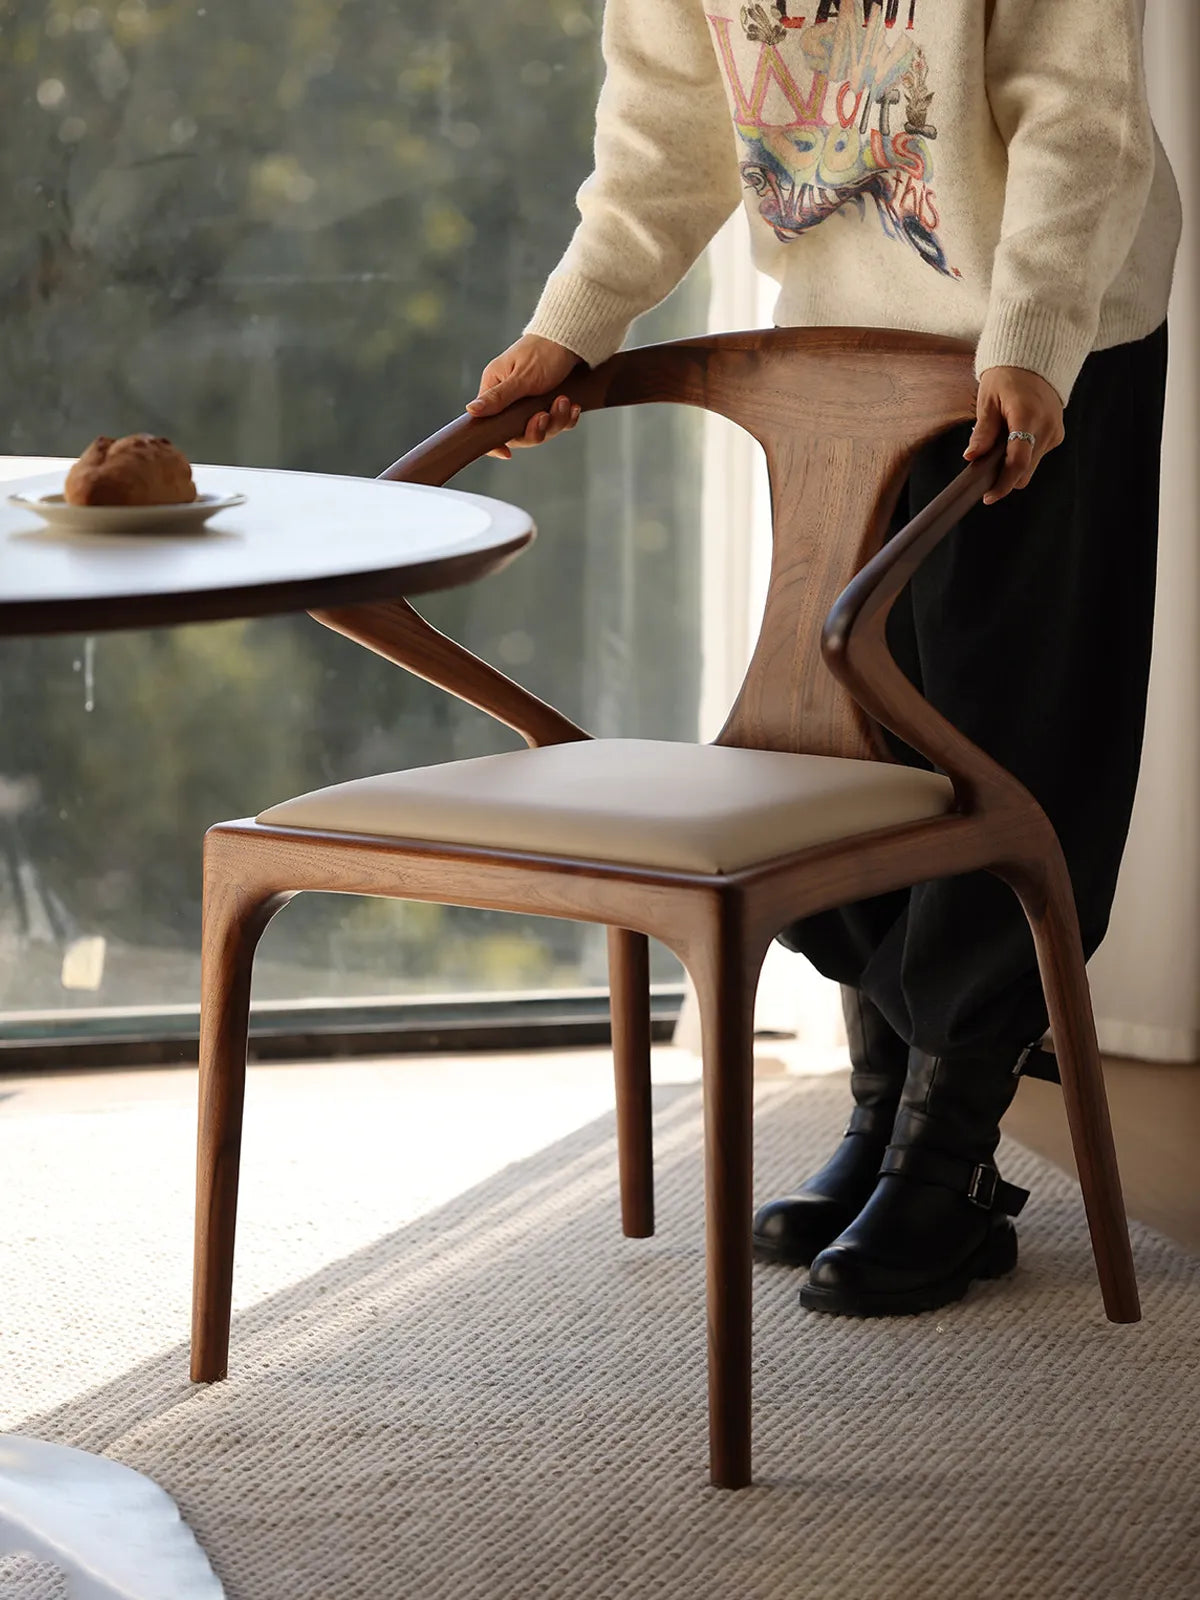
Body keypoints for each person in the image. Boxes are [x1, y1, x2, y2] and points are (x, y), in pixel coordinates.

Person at [464, 0, 1181, 1317]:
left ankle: (951, 1151)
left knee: (1008, 726)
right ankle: (882, 1107)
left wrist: (1030, 342)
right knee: (857, 725)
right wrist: (578, 323)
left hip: (1047, 340)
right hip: (846, 338)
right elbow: (666, 132)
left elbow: (1082, 120)